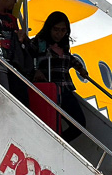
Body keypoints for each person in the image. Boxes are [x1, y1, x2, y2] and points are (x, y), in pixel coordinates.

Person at [28, 10, 91, 143]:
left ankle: (60, 143)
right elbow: (28, 57)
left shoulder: (64, 45)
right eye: (56, 29)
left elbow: (68, 58)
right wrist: (36, 71)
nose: (59, 34)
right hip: (49, 90)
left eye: (63, 30)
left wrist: (79, 67)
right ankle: (54, 144)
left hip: (65, 88)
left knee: (79, 124)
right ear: (49, 28)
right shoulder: (39, 43)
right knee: (52, 122)